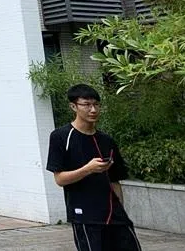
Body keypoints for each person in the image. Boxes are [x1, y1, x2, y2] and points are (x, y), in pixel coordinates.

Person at [47, 84, 142, 251]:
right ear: (73, 106)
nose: (93, 109)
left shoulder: (107, 140)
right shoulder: (61, 137)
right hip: (85, 215)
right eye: (87, 105)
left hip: (115, 215)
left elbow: (114, 180)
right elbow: (60, 179)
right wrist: (88, 169)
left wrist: (120, 208)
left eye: (96, 104)